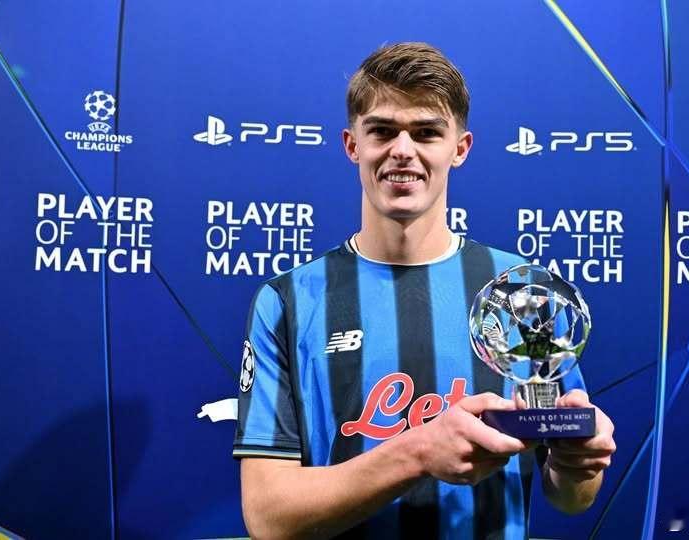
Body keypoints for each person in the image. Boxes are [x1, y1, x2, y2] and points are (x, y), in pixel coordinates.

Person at [234, 42, 616, 540]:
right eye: (382, 130)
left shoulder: (524, 295)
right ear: (352, 145)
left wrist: (575, 464)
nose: (402, 150)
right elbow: (268, 516)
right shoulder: (288, 300)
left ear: (460, 148)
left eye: (426, 132)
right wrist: (418, 452)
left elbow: (571, 499)